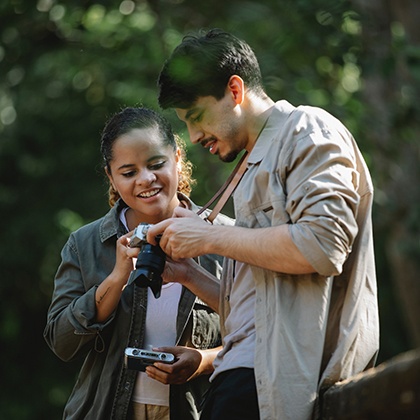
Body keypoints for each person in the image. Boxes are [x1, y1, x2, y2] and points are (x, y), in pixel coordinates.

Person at [146, 28, 380, 420]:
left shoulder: (307, 129)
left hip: (277, 381)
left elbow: (322, 246)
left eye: (198, 117)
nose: (194, 135)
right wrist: (187, 272)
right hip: (241, 378)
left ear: (235, 91)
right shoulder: (250, 165)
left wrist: (211, 236)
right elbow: (259, 308)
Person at [43, 106, 234, 420]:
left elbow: (262, 331)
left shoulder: (226, 238)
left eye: (156, 164)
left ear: (177, 158)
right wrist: (117, 278)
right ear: (111, 176)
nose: (146, 180)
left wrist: (204, 361)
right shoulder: (85, 244)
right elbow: (62, 344)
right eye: (129, 172)